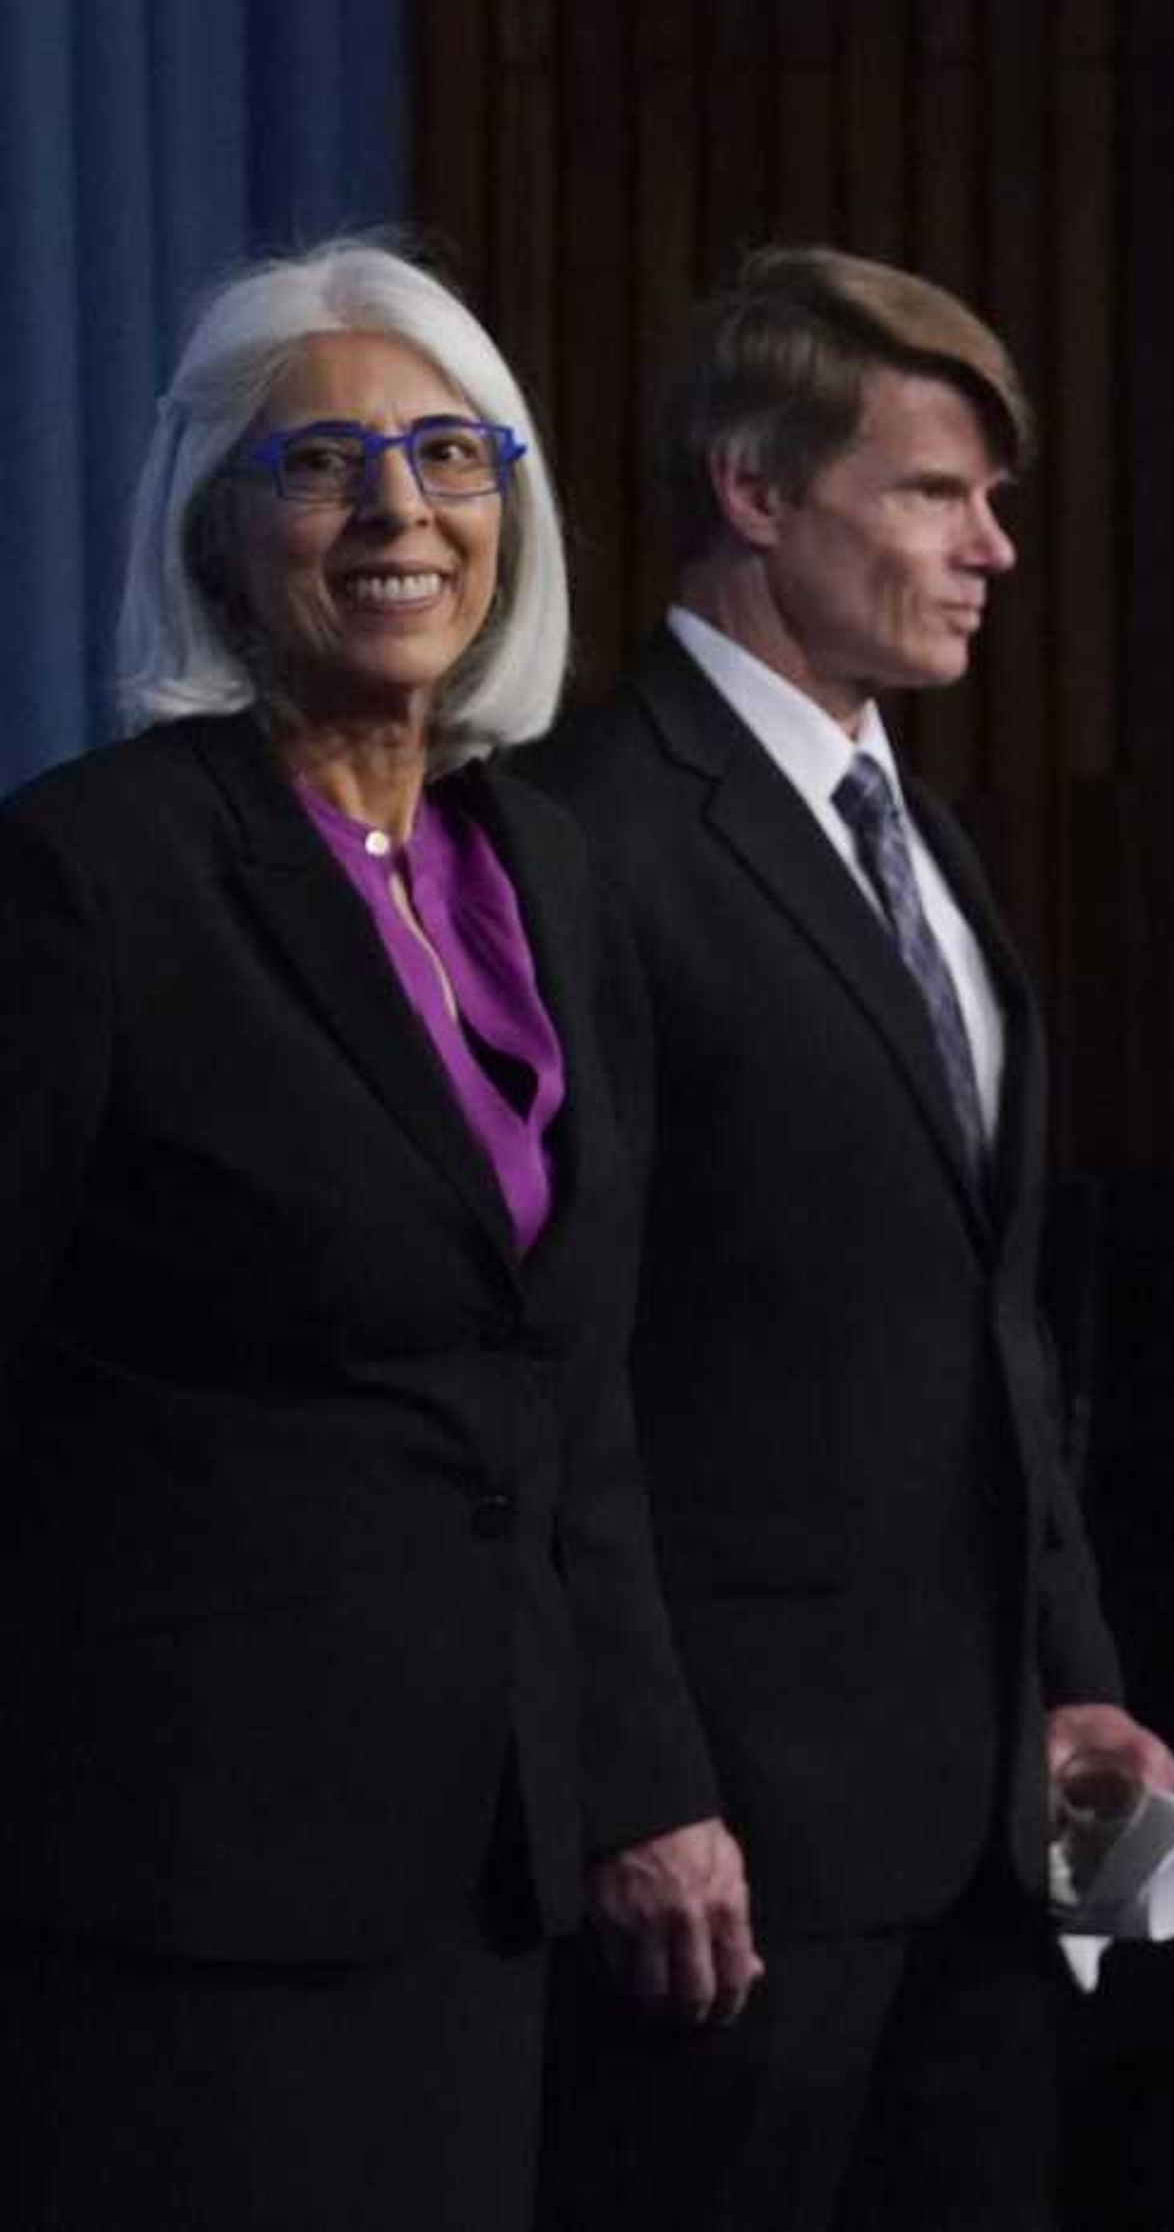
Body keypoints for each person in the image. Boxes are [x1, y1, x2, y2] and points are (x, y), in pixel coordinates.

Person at [0, 240, 726, 2227]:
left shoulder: (556, 876)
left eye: (448, 452)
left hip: (481, 1867)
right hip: (169, 1881)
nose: (400, 511)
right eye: (324, 464)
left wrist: (648, 1771)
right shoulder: (92, 879)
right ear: (219, 535)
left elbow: (573, 1393)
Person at [521, 247, 1174, 2232]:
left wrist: (1069, 1670)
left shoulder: (933, 840)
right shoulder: (584, 836)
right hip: (732, 1861)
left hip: (981, 1837)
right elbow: (569, 1373)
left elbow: (991, 1322)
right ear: (749, 488)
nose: (989, 549)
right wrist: (639, 1781)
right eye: (930, 493)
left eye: (994, 504)